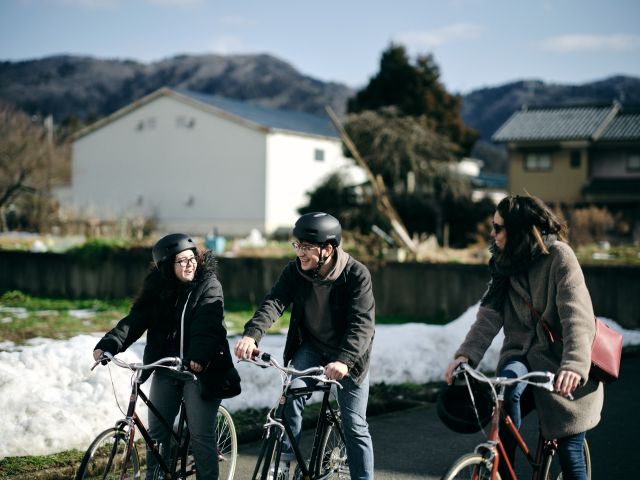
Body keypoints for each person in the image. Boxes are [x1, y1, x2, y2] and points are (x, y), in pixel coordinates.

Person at [444, 195, 603, 480]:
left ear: (519, 230)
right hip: (521, 356)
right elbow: (489, 315)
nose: (492, 234)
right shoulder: (502, 263)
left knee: (570, 449)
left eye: (499, 228)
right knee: (505, 396)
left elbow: (576, 316)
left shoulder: (560, 257)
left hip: (562, 361)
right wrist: (465, 355)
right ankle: (503, 469)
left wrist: (575, 364)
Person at [235, 212, 375, 480]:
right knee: (291, 398)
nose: (300, 252)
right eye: (297, 245)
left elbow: (362, 325)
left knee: (355, 425)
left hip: (349, 357)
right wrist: (252, 335)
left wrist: (344, 360)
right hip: (312, 347)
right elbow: (274, 301)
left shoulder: (356, 275)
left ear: (328, 249)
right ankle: (285, 466)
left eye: (307, 247)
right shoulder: (295, 271)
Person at [93, 233, 233, 480]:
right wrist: (110, 344)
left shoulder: (208, 285)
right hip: (166, 367)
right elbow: (136, 320)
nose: (189, 265)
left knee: (200, 435)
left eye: (192, 259)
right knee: (157, 435)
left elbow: (207, 326)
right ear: (168, 266)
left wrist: (198, 357)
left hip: (200, 369)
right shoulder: (158, 288)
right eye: (181, 261)